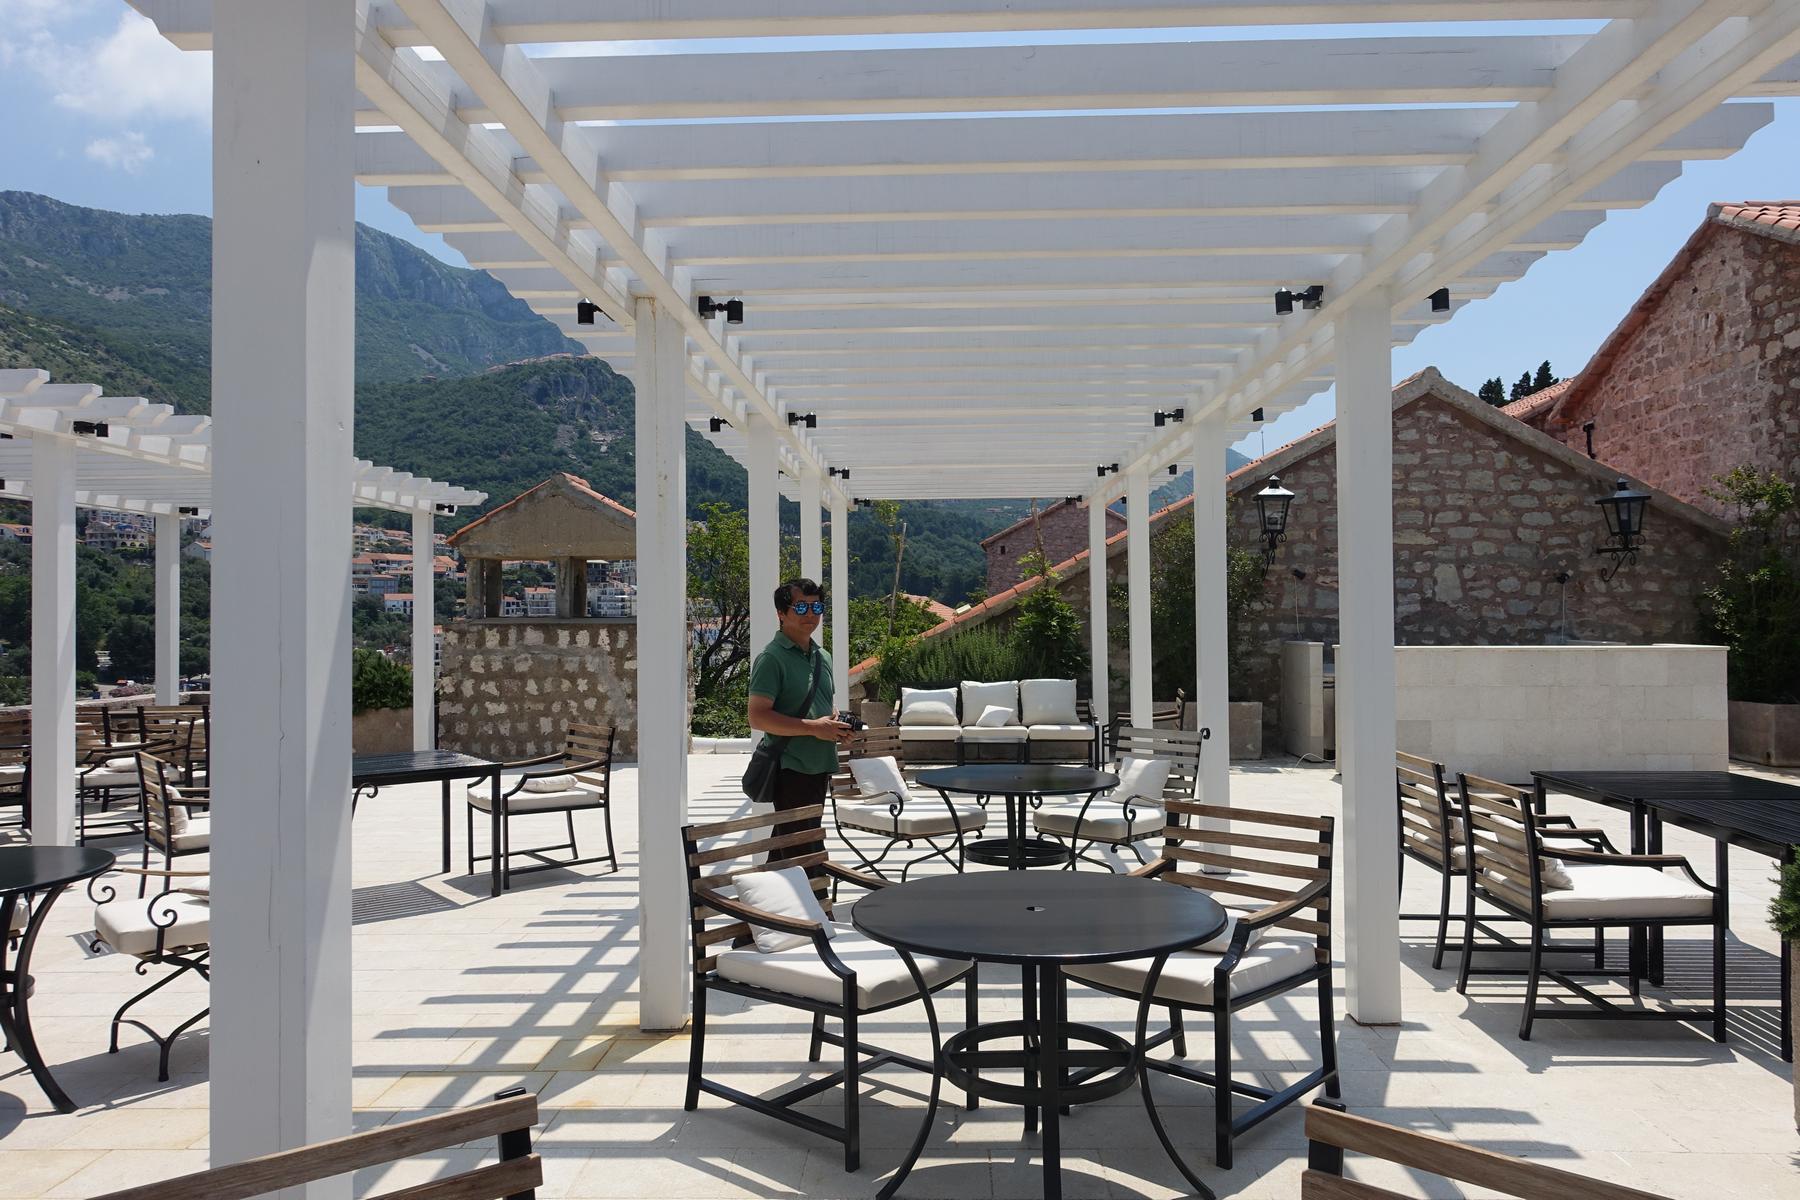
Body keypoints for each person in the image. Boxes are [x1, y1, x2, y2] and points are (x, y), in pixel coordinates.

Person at [746, 578, 850, 860]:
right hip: (790, 766)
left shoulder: (822, 656)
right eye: (801, 607)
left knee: (793, 845)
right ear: (781, 613)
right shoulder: (772, 658)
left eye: (816, 606)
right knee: (801, 849)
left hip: (819, 764)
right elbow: (757, 717)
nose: (811, 614)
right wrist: (814, 728)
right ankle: (810, 901)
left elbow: (822, 702)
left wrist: (833, 720)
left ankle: (772, 899)